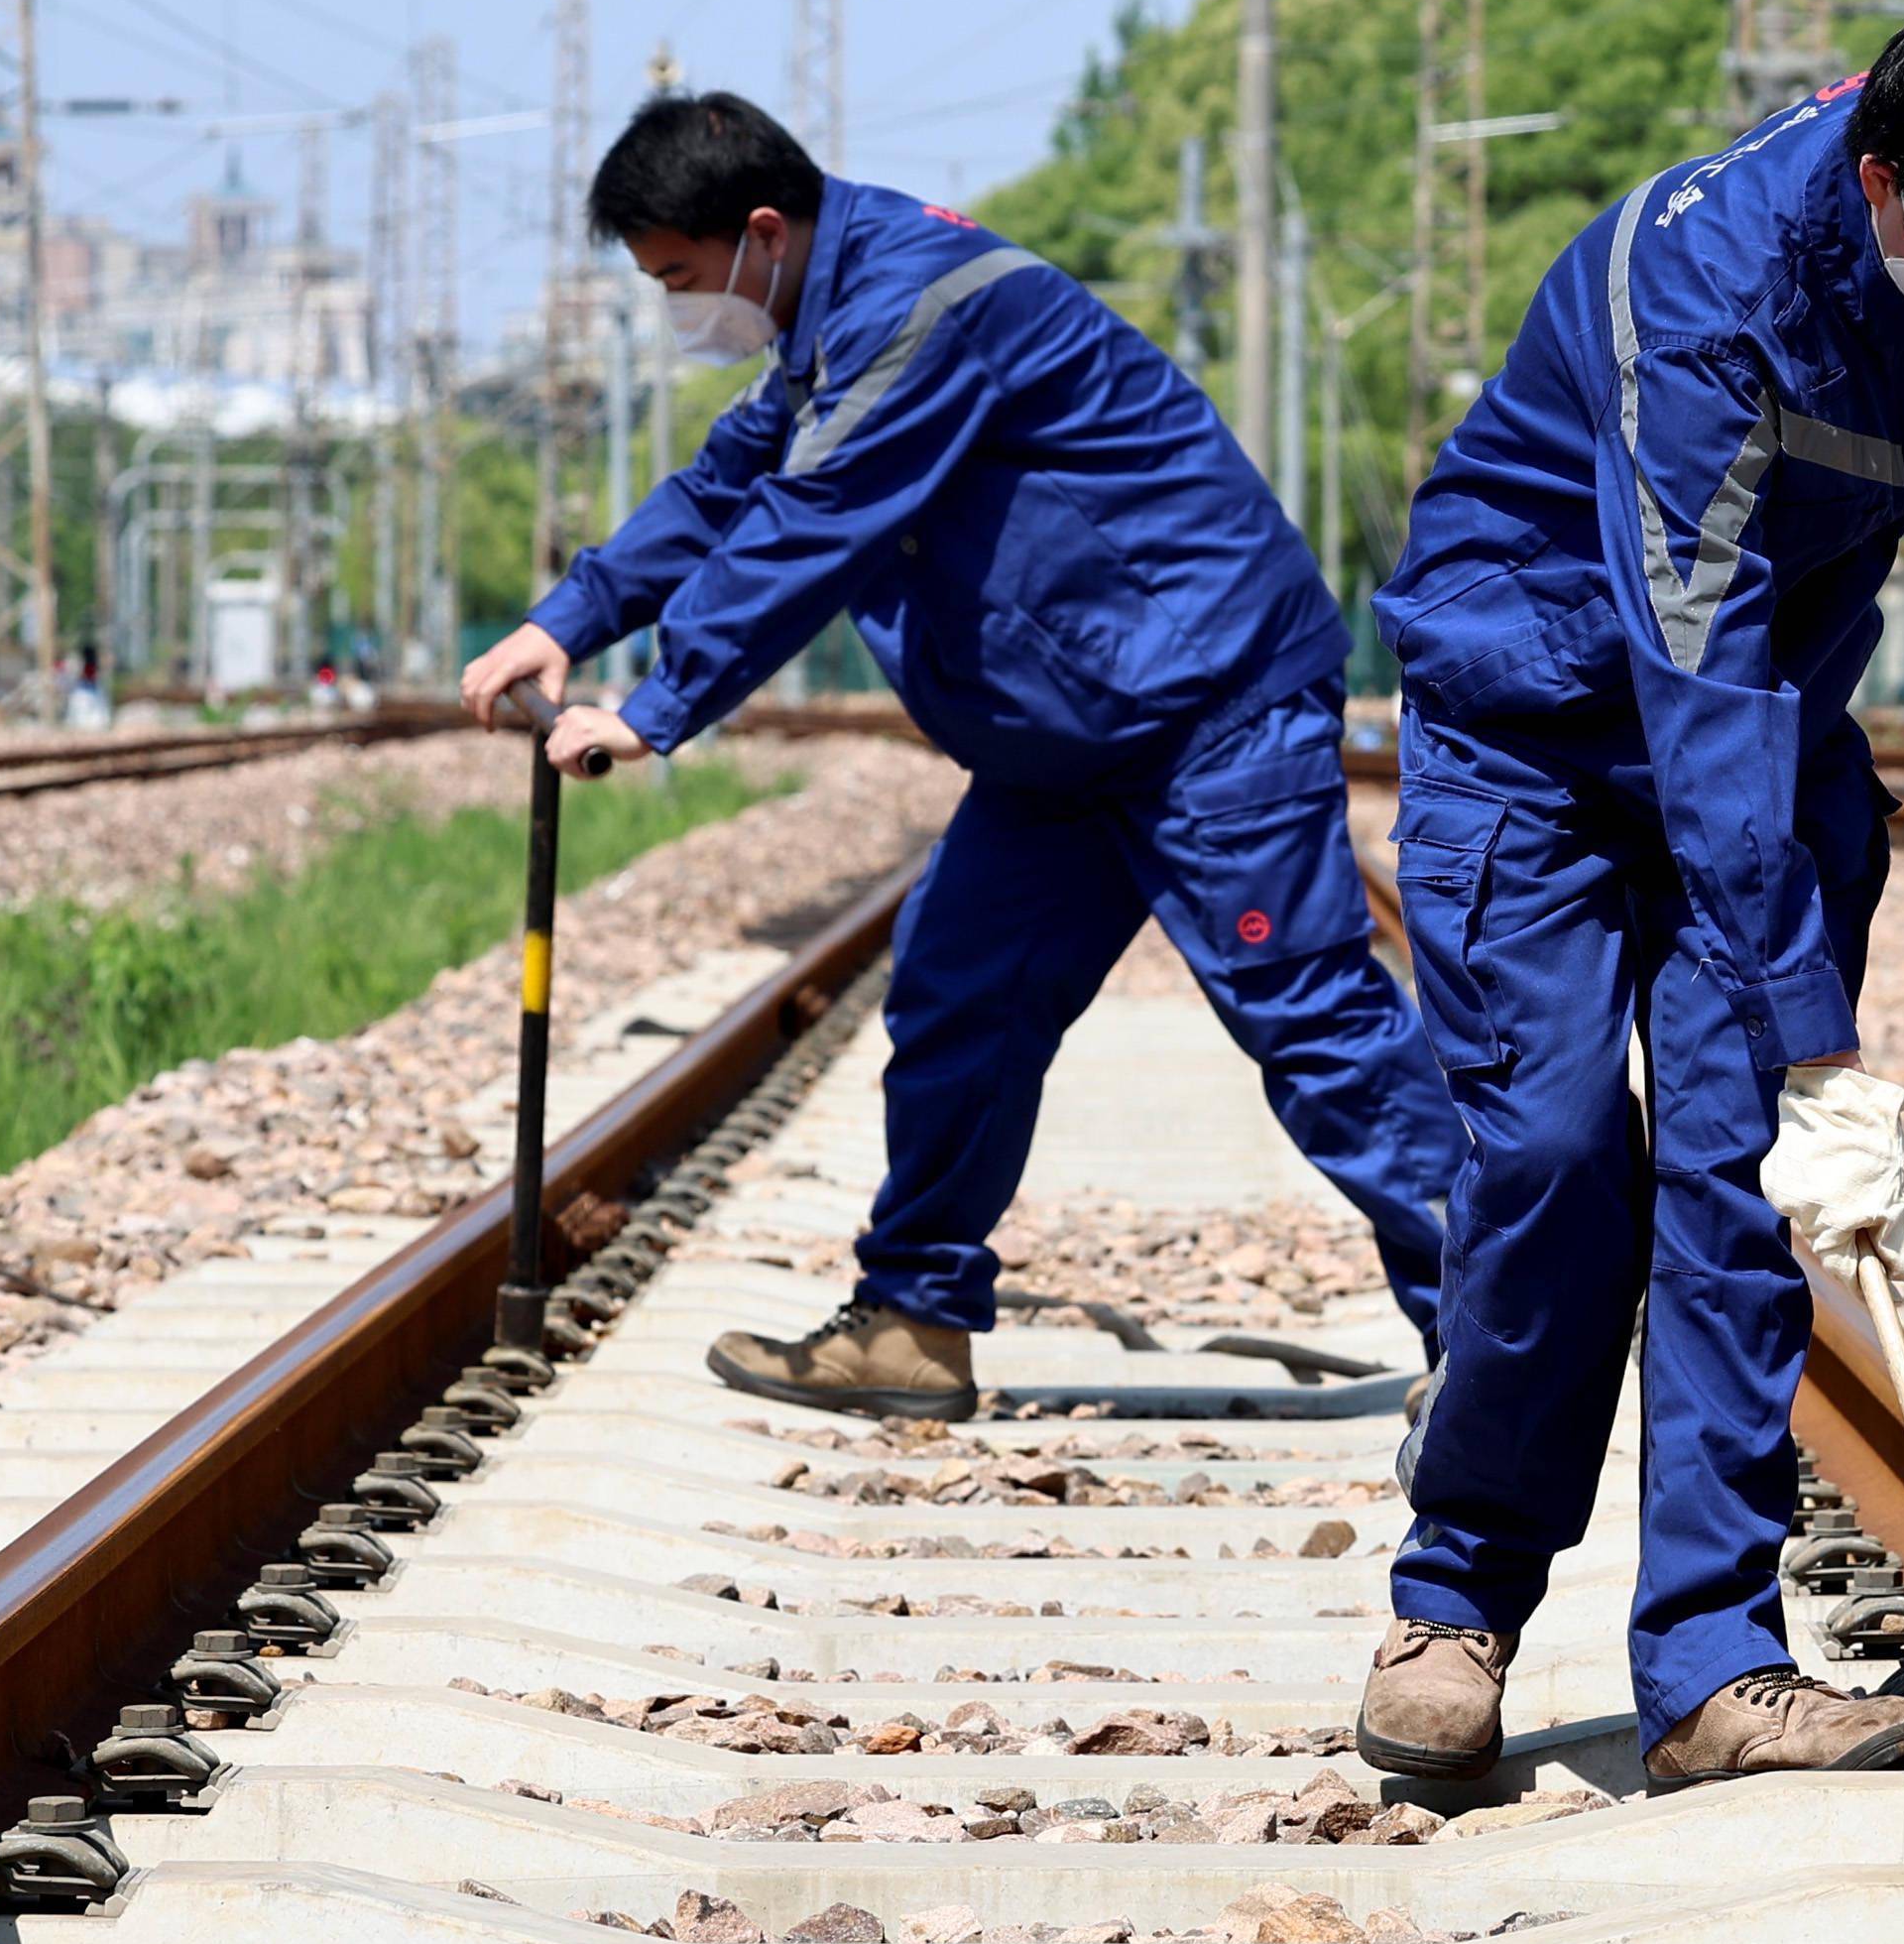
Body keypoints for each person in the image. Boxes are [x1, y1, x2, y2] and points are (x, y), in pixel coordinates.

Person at [1357, 0, 1904, 1791]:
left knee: (1731, 1192)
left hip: (1760, 736)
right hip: (1543, 737)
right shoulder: (1698, 296)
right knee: (1555, 1162)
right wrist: (1816, 1038)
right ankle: (1457, 1594)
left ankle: (1714, 1664)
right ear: (1880, 187)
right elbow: (1692, 671)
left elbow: (1802, 594)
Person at [461, 93, 1461, 1423]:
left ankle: (1504, 1340)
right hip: (1075, 731)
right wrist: (564, 620)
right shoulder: (833, 320)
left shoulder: (918, 307)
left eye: (681, 278)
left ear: (762, 232)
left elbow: (811, 520)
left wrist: (653, 704)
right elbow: (727, 486)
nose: (677, 310)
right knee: (956, 1000)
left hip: (1204, 702)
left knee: (1306, 1014)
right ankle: (914, 1321)